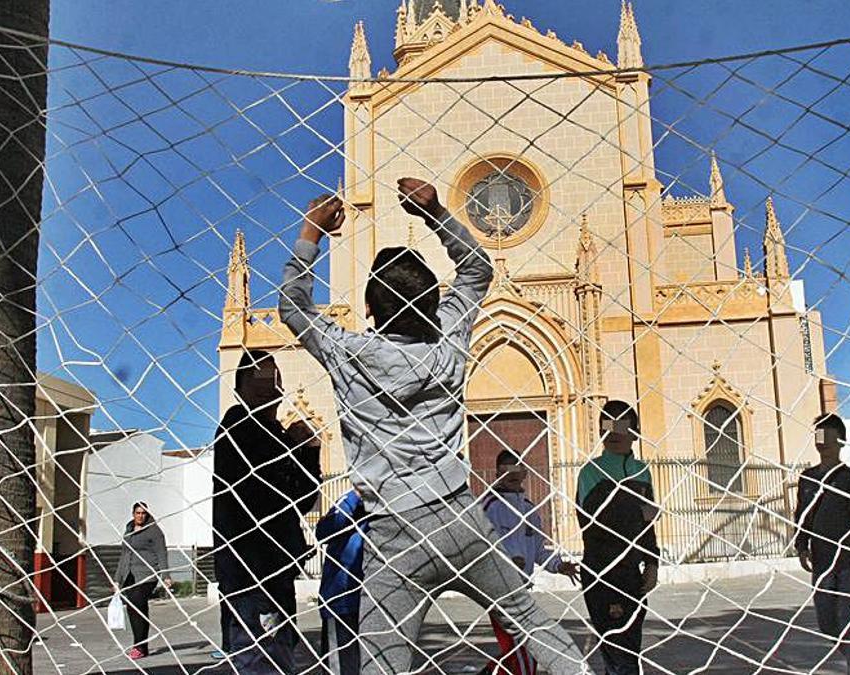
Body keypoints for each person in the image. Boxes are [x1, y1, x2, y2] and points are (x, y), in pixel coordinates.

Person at [279, 180, 593, 675]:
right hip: (462, 519)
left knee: (383, 661)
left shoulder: (350, 355)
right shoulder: (449, 342)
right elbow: (475, 269)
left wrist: (311, 233)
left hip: (394, 533)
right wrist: (436, 212)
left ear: (368, 311)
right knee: (533, 623)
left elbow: (293, 307)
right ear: (432, 304)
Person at [212, 349, 322, 674]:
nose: (268, 386)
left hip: (277, 573)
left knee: (280, 656)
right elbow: (272, 490)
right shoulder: (238, 426)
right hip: (252, 574)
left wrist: (308, 452)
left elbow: (303, 499)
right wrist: (294, 446)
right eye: (257, 378)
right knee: (260, 659)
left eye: (274, 379)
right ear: (240, 387)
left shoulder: (276, 435)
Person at [575, 400, 660, 675]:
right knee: (618, 653)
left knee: (629, 651)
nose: (614, 432)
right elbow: (594, 526)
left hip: (632, 575)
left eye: (621, 424)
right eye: (608, 424)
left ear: (634, 431)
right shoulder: (591, 473)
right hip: (603, 573)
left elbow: (648, 523)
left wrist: (652, 561)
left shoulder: (641, 472)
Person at [793, 414, 850, 675]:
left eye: (828, 436)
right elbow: (802, 515)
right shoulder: (807, 478)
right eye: (819, 436)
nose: (823, 442)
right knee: (827, 623)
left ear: (840, 441)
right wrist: (801, 544)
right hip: (822, 564)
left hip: (848, 564)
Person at [480, 450, 581, 675]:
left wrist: (559, 566)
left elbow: (538, 551)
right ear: (497, 473)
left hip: (521, 590)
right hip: (498, 590)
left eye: (517, 467)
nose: (512, 473)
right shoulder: (487, 506)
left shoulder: (529, 509)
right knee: (524, 650)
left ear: (525, 471)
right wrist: (505, 560)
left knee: (518, 649)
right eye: (506, 469)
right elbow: (479, 547)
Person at [313, 489, 369, 675]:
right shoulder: (349, 502)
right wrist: (355, 497)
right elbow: (324, 530)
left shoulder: (390, 505)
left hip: (373, 599)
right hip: (342, 599)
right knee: (341, 665)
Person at [113, 501, 171, 661]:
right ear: (133, 514)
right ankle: (141, 645)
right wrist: (117, 579)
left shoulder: (154, 531)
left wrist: (165, 575)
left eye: (143, 513)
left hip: (147, 574)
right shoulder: (129, 528)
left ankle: (139, 646)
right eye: (138, 513)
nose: (140, 516)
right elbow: (124, 555)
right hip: (130, 574)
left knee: (137, 603)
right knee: (133, 607)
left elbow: (161, 553)